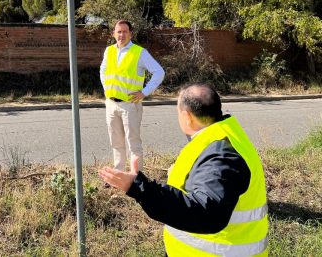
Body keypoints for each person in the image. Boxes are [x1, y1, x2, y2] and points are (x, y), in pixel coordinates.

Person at [99, 84, 269, 256]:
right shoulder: (218, 137)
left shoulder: (222, 156)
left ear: (187, 117)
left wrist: (139, 188)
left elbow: (207, 213)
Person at [100, 19, 165, 172]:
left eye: (125, 31)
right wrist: (106, 89)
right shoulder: (109, 51)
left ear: (130, 34)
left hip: (130, 104)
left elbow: (159, 72)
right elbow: (103, 71)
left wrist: (144, 92)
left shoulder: (139, 52)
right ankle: (119, 173)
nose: (121, 34)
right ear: (114, 33)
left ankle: (136, 178)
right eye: (119, 31)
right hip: (111, 104)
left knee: (133, 143)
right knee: (116, 143)